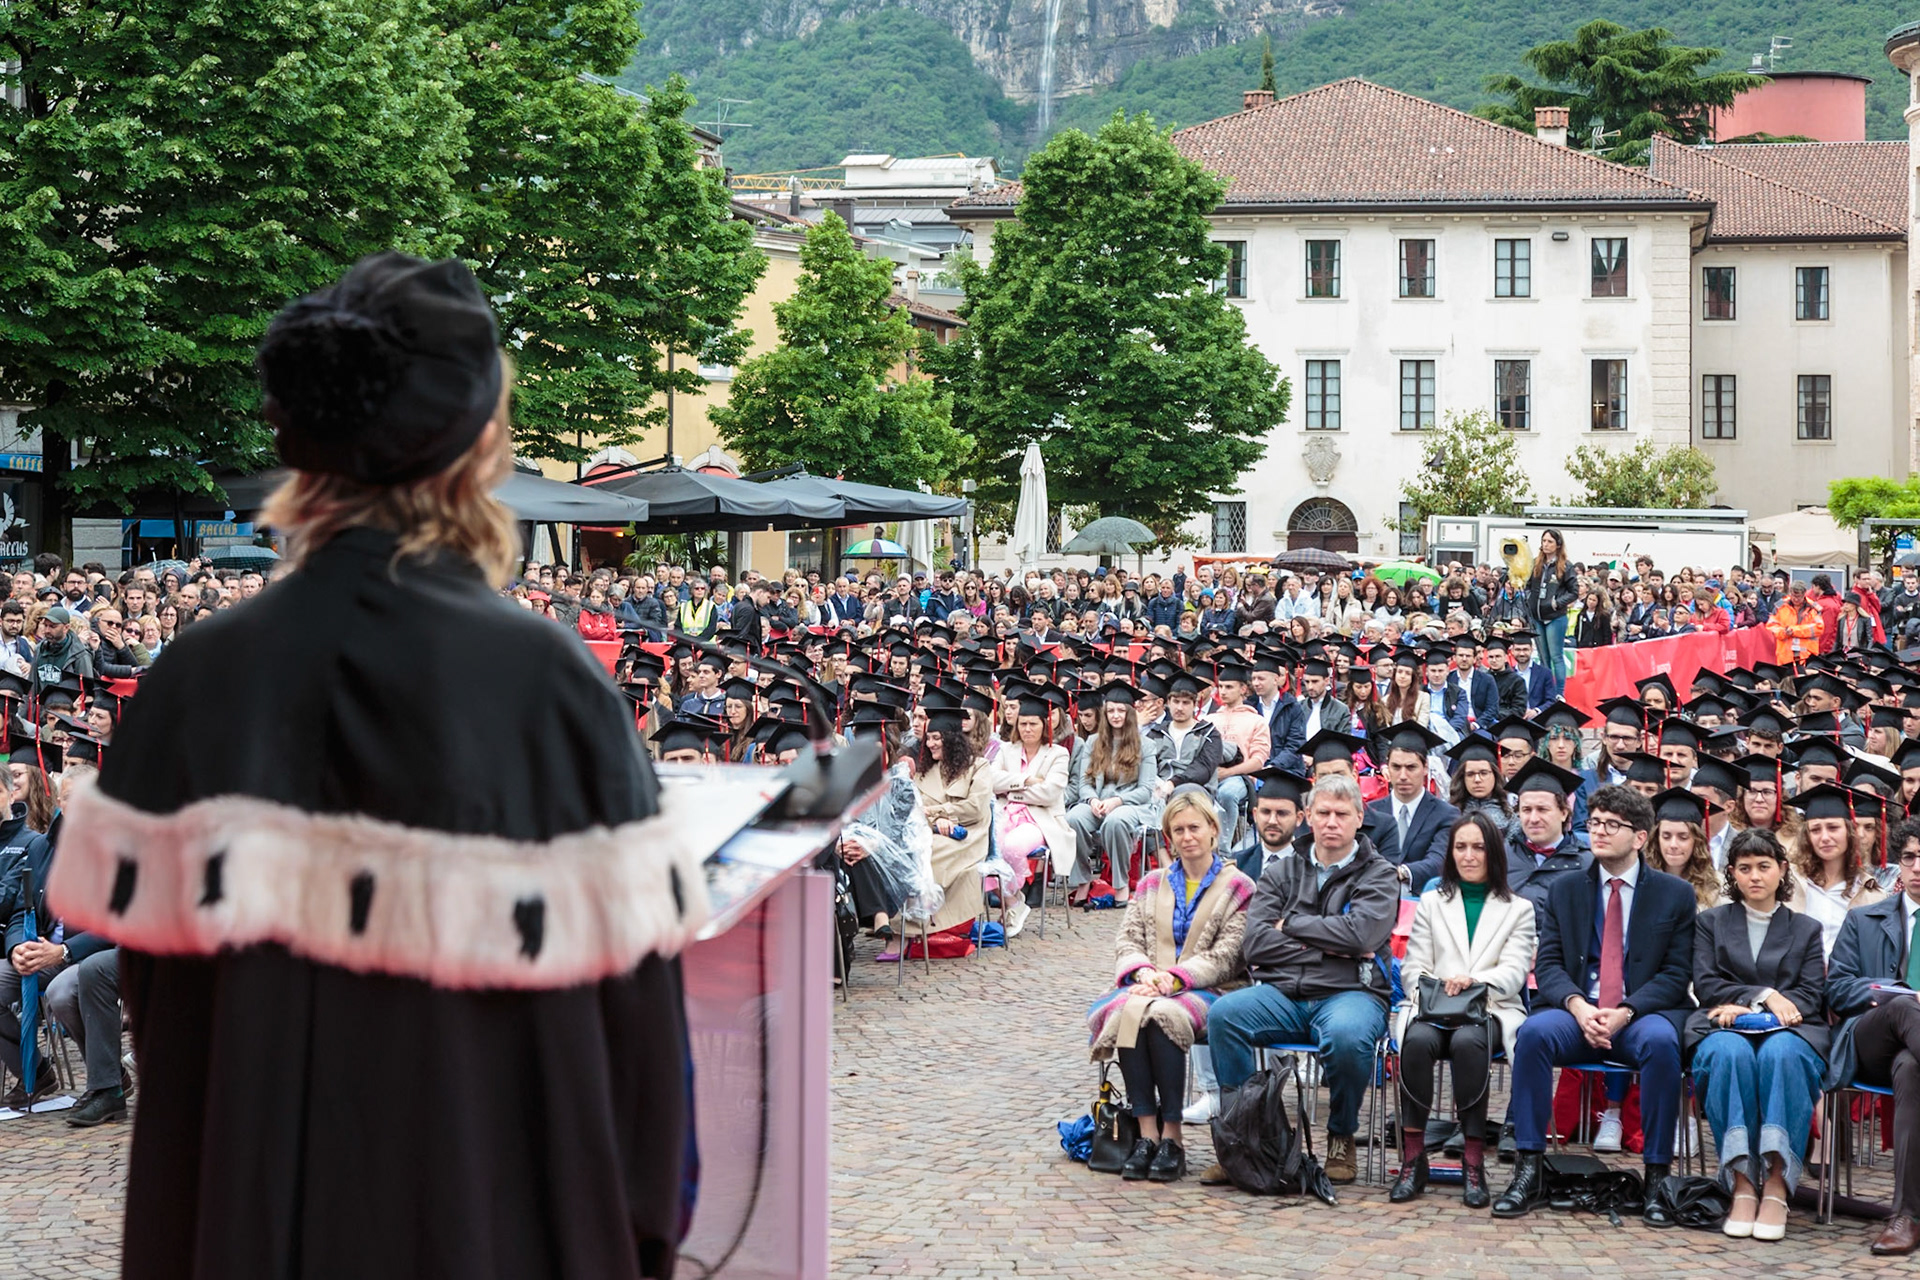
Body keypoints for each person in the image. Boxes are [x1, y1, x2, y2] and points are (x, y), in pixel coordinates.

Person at [46, 253, 713, 1276]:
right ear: (479, 441)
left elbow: (163, 1022)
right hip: (495, 1221)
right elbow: (643, 1057)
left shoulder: (191, 682)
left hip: (245, 1219)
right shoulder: (550, 686)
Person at [1494, 785, 1698, 1224]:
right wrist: (1576, 1006)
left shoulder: (1674, 895)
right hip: (1577, 1012)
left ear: (1640, 837)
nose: (1599, 832)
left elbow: (1677, 975)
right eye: (1595, 823)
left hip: (1640, 1016)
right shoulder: (1568, 888)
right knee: (1531, 1035)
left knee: (1664, 1044)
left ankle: (1658, 1178)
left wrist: (1626, 1010)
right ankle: (1528, 1166)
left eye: (1612, 825)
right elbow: (1547, 964)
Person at [1200, 775, 1399, 1187]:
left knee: (1346, 1037)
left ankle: (1341, 1135)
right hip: (1286, 993)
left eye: (1342, 814)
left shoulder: (1379, 875)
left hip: (1353, 993)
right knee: (1224, 1016)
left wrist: (1290, 924)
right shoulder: (1283, 871)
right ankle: (1245, 1140)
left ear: (1360, 818)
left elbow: (1363, 936)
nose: (1331, 822)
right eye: (1323, 813)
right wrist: (1331, 945)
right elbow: (1256, 945)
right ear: (1307, 817)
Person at [1086, 788, 1255, 1182]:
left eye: (1195, 827)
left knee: (1160, 1013)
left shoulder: (1239, 886)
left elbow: (1228, 954)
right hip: (1149, 984)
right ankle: (1147, 1134)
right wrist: (1144, 973)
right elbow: (1127, 939)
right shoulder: (1150, 883)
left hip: (1213, 989)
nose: (1187, 837)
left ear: (1214, 829)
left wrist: (1171, 981)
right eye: (1177, 830)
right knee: (1131, 1009)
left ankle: (1173, 1137)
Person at [1686, 827, 1828, 1242]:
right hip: (1721, 1025)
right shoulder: (1711, 922)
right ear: (1732, 873)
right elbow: (1707, 984)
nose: (1755, 876)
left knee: (1780, 1054)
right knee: (1730, 1053)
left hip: (1793, 1031)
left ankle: (1778, 1184)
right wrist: (1764, 995)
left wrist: (1758, 1012)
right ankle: (1744, 1183)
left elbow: (1809, 995)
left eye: (1764, 867)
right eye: (1744, 868)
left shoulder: (1805, 928)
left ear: (1782, 870)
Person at [1391, 812, 1537, 1207]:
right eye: (1461, 847)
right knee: (1417, 1042)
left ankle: (1473, 1162)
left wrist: (1474, 982)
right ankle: (1413, 1159)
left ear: (1494, 853)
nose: (1469, 856)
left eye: (1478, 847)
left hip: (1489, 1008)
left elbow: (1514, 971)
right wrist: (1442, 985)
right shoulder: (1432, 903)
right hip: (1433, 1006)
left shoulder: (1518, 909)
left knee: (1470, 1042)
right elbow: (1413, 966)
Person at [1826, 816, 1920, 1254]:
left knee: (1911, 1068)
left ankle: (1906, 1216)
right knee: (1904, 1005)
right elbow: (1838, 988)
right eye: (1910, 858)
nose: (1918, 866)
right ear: (1898, 864)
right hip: (1870, 1040)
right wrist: (1894, 995)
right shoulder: (1863, 919)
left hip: (1910, 1053)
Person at [990, 690, 1072, 937]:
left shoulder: (1058, 753)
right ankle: (1015, 902)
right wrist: (1026, 780)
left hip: (1040, 820)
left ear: (1044, 724)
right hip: (1004, 814)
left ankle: (1011, 901)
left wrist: (1010, 790)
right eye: (1023, 723)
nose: (1027, 729)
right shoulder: (1006, 750)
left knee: (1011, 847)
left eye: (1033, 724)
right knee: (987, 851)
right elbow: (991, 781)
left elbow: (1049, 794)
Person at [1067, 685, 1158, 904]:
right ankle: (1083, 880)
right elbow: (1084, 781)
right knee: (1073, 819)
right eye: (1110, 711)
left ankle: (1121, 883)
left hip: (1130, 804)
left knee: (1115, 822)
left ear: (1129, 713)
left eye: (1120, 710)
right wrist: (1092, 800)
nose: (1115, 716)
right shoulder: (1093, 742)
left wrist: (1117, 801)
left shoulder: (1146, 745)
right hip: (1097, 800)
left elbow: (1145, 790)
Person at [913, 704, 991, 953]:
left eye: (937, 738)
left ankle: (927, 924)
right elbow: (916, 810)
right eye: (928, 739)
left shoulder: (978, 767)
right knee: (913, 852)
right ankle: (908, 923)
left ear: (952, 739)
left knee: (929, 854)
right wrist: (936, 824)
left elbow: (975, 809)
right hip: (933, 833)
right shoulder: (925, 773)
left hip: (969, 837)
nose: (930, 744)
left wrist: (940, 813)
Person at [1784, 783, 1887, 958]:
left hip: (1847, 981)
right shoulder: (1788, 884)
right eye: (1815, 830)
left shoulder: (1871, 894)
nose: (1824, 837)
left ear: (1849, 831)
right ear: (1807, 837)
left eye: (1833, 827)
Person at [1361, 723, 1458, 892]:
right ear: (1387, 768)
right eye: (1396, 767)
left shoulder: (1446, 815)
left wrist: (1402, 872)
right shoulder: (1370, 812)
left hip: (1423, 901)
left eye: (1411, 767)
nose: (1403, 776)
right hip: (1373, 898)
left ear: (1425, 767)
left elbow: (1438, 860)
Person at [1650, 787, 1727, 910]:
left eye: (1683, 837)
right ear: (1656, 839)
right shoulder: (1642, 881)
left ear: (1696, 841)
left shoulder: (1718, 886)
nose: (1673, 845)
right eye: (1666, 836)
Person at [1232, 766, 1306, 882]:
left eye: (1282, 813)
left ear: (1299, 818)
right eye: (1266, 812)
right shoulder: (1237, 865)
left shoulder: (1311, 865)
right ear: (1255, 815)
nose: (1272, 821)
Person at [1525, 529, 1577, 694]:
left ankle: (1559, 693)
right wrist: (1529, 600)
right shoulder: (1536, 563)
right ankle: (1546, 691)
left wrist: (1557, 603)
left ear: (1557, 545)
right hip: (1537, 616)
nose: (1546, 544)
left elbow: (1574, 591)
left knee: (1556, 656)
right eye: (1544, 541)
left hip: (1555, 617)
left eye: (1550, 542)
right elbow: (1527, 586)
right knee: (1542, 656)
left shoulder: (1566, 566)